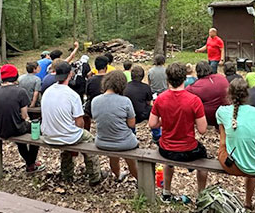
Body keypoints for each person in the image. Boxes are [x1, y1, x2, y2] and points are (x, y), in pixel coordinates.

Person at [148, 63, 208, 202]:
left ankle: (166, 192)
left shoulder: (160, 99)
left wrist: (165, 120)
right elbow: (202, 130)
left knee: (168, 162)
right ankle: (201, 195)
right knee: (204, 159)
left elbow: (152, 124)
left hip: (166, 148)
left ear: (167, 79)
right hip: (188, 149)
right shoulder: (194, 100)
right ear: (184, 79)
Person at [41, 61, 107, 186]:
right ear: (70, 74)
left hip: (48, 134)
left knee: (67, 135)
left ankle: (67, 174)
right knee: (89, 139)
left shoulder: (47, 92)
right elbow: (79, 122)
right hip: (65, 135)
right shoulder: (72, 95)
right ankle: (95, 176)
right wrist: (77, 129)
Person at [216, 78, 255, 210]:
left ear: (229, 94)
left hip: (232, 165)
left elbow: (223, 141)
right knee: (250, 151)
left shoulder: (222, 111)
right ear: (247, 94)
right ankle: (248, 202)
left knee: (223, 146)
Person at [0, 64, 45, 173]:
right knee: (36, 130)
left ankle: (30, 163)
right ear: (15, 76)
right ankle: (31, 163)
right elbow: (24, 116)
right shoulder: (20, 92)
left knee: (20, 133)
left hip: (0, 129)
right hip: (16, 129)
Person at [92, 70, 138, 181]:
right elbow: (131, 124)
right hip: (124, 143)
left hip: (102, 141)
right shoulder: (125, 101)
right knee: (131, 159)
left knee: (113, 156)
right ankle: (140, 179)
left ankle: (118, 175)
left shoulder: (95, 101)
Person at [186, 61, 230, 128]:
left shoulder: (194, 87)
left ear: (197, 72)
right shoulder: (222, 78)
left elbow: (183, 95)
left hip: (208, 119)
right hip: (226, 114)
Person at [84, 56, 109, 130]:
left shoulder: (90, 80)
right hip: (107, 105)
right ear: (105, 67)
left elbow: (87, 93)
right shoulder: (109, 79)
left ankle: (87, 130)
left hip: (92, 106)